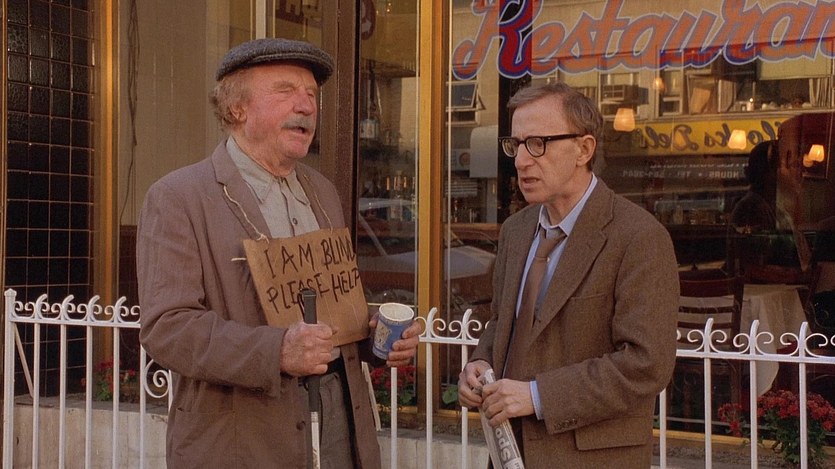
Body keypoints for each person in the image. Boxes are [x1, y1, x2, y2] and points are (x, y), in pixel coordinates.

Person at [136, 38, 419, 469]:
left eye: (312, 95)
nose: (306, 106)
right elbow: (167, 329)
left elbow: (327, 306)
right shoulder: (178, 197)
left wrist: (374, 335)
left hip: (340, 426)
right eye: (286, 90)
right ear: (237, 108)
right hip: (242, 439)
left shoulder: (322, 191)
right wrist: (276, 352)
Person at [458, 82, 679, 468]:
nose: (521, 160)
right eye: (516, 145)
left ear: (584, 149)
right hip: (510, 453)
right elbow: (502, 322)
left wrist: (537, 396)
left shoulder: (639, 237)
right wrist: (481, 364)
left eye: (537, 143)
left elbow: (646, 364)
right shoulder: (515, 231)